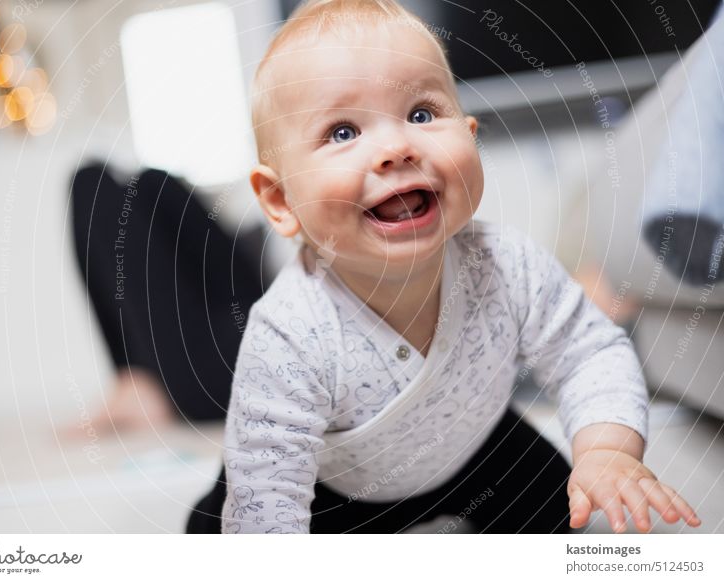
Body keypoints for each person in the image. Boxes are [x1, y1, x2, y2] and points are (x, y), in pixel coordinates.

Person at [187, 0, 702, 534]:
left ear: (470, 135)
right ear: (280, 200)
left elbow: (587, 350)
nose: (395, 147)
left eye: (421, 114)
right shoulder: (288, 335)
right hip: (335, 486)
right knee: (226, 531)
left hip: (477, 447)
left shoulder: (508, 265)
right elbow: (268, 494)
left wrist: (607, 449)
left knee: (563, 515)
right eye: (342, 132)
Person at [70, 164, 267, 430]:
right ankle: (135, 377)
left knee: (90, 181)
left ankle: (133, 376)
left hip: (222, 375)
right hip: (255, 328)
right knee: (153, 181)